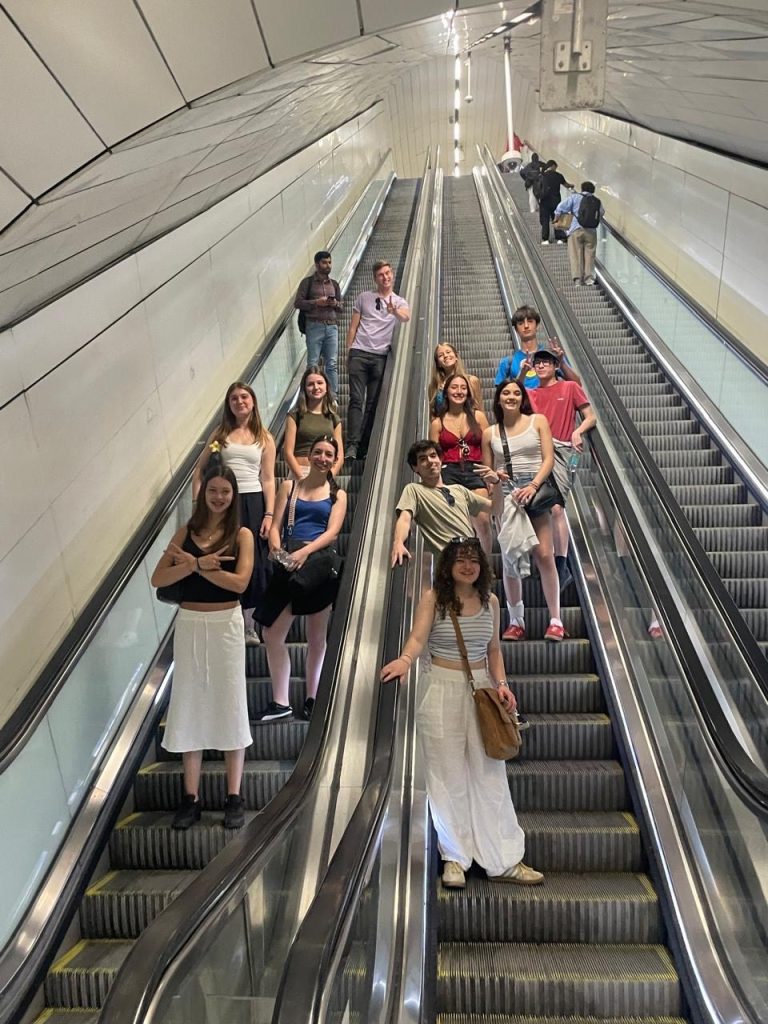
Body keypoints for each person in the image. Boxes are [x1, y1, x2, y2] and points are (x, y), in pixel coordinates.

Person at [380, 538, 543, 889]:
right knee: (446, 777)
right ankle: (454, 858)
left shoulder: (491, 602)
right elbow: (417, 638)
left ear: (482, 566)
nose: (468, 566)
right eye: (460, 560)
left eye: (474, 560)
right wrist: (405, 661)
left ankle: (503, 859)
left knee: (490, 776)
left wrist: (502, 684)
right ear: (448, 566)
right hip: (440, 688)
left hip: (481, 691)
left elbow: (493, 649)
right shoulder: (434, 599)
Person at [151, 463, 255, 831]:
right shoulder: (186, 532)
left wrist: (199, 568)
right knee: (189, 703)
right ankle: (190, 798)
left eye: (225, 491)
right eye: (213, 490)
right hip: (190, 623)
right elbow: (158, 577)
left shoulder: (242, 534)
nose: (219, 497)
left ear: (234, 495)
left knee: (231, 702)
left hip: (226, 623)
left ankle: (234, 796)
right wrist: (196, 564)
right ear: (203, 492)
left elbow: (240, 583)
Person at [256, 435, 347, 723]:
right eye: (318, 452)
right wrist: (276, 547)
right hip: (288, 562)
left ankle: (313, 698)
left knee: (316, 637)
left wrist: (305, 552)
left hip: (318, 566)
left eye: (328, 454)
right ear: (309, 455)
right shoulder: (289, 486)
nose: (322, 458)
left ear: (335, 460)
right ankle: (281, 702)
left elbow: (332, 533)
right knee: (272, 633)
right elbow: (275, 525)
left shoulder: (338, 494)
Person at [194, 381, 276, 646]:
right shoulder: (220, 434)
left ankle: (249, 626)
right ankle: (229, 622)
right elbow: (199, 471)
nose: (239, 402)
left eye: (244, 397)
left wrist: (269, 514)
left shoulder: (265, 437)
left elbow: (268, 479)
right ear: (228, 405)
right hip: (224, 502)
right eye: (234, 398)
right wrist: (199, 505)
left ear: (253, 402)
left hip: (253, 502)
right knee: (226, 557)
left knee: (253, 562)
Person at [482, 380, 564, 642]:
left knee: (545, 554)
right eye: (506, 393)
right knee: (510, 558)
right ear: (498, 398)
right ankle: (516, 621)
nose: (511, 397)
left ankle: (556, 620)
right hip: (506, 495)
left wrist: (533, 485)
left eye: (516, 393)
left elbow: (548, 459)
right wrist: (495, 478)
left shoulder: (537, 421)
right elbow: (487, 471)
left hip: (535, 491)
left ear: (523, 398)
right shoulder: (490, 433)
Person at [529, 349, 596, 590]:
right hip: (537, 453)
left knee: (557, 506)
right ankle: (544, 560)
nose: (541, 366)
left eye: (546, 362)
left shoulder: (569, 387)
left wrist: (578, 431)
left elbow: (590, 416)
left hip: (565, 451)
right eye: (538, 363)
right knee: (539, 506)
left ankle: (561, 564)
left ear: (555, 365)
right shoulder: (530, 393)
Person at [345, 260, 410, 461]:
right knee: (356, 400)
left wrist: (394, 311)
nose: (386, 277)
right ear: (375, 278)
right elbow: (353, 326)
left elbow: (406, 317)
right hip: (359, 353)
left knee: (373, 404)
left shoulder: (399, 301)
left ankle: (364, 447)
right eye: (381, 274)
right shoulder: (364, 297)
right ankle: (352, 445)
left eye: (388, 273)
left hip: (380, 357)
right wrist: (349, 351)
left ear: (392, 274)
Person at [391, 440, 491, 567]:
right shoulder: (414, 489)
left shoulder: (459, 490)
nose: (430, 461)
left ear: (440, 460)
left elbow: (495, 508)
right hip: (448, 563)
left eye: (433, 456)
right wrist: (398, 542)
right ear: (415, 467)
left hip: (471, 558)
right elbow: (405, 519)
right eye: (423, 459)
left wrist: (497, 483)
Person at [429, 374, 492, 554]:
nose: (459, 391)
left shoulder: (478, 417)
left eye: (463, 388)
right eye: (454, 387)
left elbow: (488, 447)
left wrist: (490, 475)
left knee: (483, 521)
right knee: (457, 524)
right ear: (446, 392)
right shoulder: (437, 423)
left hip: (476, 469)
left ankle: (485, 564)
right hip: (449, 472)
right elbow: (433, 457)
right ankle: (460, 565)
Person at [494, 305, 582, 388]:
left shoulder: (551, 356)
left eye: (530, 321)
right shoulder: (508, 362)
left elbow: (577, 384)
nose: (526, 326)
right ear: (516, 330)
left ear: (537, 326)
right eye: (521, 323)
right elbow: (500, 392)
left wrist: (561, 362)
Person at [294, 250, 342, 395]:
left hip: (332, 326)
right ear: (317, 264)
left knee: (332, 364)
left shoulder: (334, 284)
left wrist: (335, 304)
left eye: (329, 262)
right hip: (314, 326)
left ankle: (333, 397)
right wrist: (316, 302)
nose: (328, 265)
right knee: (312, 363)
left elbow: (341, 307)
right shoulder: (307, 283)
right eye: (324, 262)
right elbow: (298, 303)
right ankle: (309, 397)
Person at [284, 366, 344, 479]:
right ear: (305, 389)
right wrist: (301, 478)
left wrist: (329, 477)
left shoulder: (334, 418)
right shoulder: (295, 416)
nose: (316, 387)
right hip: (300, 472)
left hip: (325, 474)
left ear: (326, 387)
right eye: (310, 384)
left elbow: (339, 456)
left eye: (320, 383)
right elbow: (288, 453)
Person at [554, 181, 603, 285]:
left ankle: (577, 279)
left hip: (575, 229)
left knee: (575, 254)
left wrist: (557, 219)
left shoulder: (575, 197)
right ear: (592, 190)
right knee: (590, 255)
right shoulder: (597, 201)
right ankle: (589, 279)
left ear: (582, 188)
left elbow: (560, 208)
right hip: (591, 231)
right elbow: (601, 213)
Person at [428, 342, 484, 414]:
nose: (445, 355)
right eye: (440, 355)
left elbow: (480, 410)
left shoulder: (472, 381)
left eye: (448, 352)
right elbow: (432, 414)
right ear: (438, 364)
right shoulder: (434, 386)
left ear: (456, 356)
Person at [538, 160, 573, 244]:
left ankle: (545, 239)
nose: (556, 169)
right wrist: (572, 186)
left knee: (545, 220)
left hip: (544, 201)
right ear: (553, 166)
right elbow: (566, 185)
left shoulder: (542, 176)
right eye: (556, 167)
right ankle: (559, 238)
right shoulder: (558, 176)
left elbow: (539, 188)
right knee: (557, 219)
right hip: (556, 201)